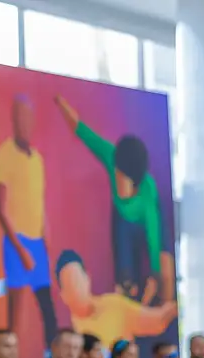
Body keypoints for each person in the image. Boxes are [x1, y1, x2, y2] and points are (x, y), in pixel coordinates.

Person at [55, 96, 169, 302]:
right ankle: (125, 283)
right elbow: (82, 131)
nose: (116, 179)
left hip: (139, 222)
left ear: (135, 180)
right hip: (121, 217)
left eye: (122, 178)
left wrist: (155, 275)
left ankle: (136, 289)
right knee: (123, 256)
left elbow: (154, 239)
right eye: (115, 173)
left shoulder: (147, 194)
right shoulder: (112, 156)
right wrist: (60, 102)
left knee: (144, 261)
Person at [0, 96, 57, 346]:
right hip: (15, 242)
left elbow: (39, 203)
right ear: (13, 120)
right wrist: (21, 251)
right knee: (15, 316)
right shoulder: (5, 153)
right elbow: (0, 209)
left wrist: (46, 237)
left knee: (47, 307)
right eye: (19, 117)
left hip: (37, 241)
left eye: (28, 118)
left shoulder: (38, 160)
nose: (24, 124)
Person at [55, 250, 177, 346]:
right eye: (70, 284)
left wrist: (178, 303)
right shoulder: (66, 332)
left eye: (78, 280)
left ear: (87, 279)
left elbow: (158, 320)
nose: (77, 289)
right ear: (63, 296)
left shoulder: (114, 305)